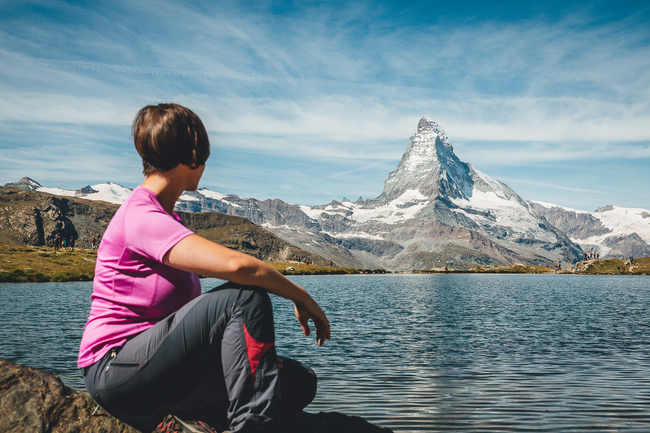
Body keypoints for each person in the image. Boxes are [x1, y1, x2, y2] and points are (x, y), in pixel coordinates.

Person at [78, 103, 330, 433]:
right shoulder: (140, 216)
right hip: (115, 369)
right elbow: (239, 267)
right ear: (194, 156)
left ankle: (192, 418)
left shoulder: (166, 219)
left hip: (159, 368)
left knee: (298, 382)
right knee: (243, 298)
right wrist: (301, 296)